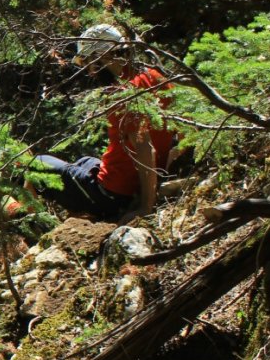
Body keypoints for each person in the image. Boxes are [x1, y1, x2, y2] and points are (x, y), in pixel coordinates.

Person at [31, 23, 176, 222]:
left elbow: (145, 147)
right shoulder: (155, 77)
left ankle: (34, 226)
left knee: (33, 164)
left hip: (111, 195)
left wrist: (145, 205)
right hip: (129, 184)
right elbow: (181, 130)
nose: (90, 72)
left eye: (90, 63)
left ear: (103, 57)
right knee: (84, 161)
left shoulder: (121, 95)